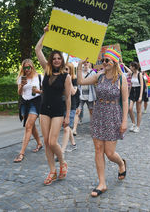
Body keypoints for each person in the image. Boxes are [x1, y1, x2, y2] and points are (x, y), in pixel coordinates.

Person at [77, 48, 128, 197]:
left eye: (107, 60)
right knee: (98, 149)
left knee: (110, 153)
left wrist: (124, 121)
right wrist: (80, 65)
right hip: (99, 113)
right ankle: (102, 183)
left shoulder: (121, 78)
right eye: (103, 60)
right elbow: (80, 81)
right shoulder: (98, 76)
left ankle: (121, 164)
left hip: (113, 114)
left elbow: (124, 100)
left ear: (114, 62)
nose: (103, 63)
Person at [35, 25, 71, 185]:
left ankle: (62, 162)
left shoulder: (66, 76)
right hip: (44, 109)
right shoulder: (46, 70)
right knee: (46, 142)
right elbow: (37, 49)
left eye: (59, 58)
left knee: (51, 141)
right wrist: (45, 34)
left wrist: (68, 115)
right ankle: (52, 171)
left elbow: (68, 98)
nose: (56, 60)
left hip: (57, 111)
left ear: (62, 61)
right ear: (51, 60)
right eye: (54, 58)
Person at [14, 59, 43, 163]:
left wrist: (38, 91)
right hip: (24, 103)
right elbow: (19, 93)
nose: (26, 69)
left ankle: (21, 153)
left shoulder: (39, 77)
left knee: (28, 126)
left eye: (28, 67)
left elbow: (45, 91)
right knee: (31, 125)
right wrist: (21, 85)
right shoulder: (21, 78)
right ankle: (39, 143)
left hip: (35, 102)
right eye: (24, 67)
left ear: (32, 66)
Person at [72, 61, 97, 136]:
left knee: (91, 111)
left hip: (90, 95)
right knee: (77, 112)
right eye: (84, 62)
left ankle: (93, 129)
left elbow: (95, 84)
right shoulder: (79, 72)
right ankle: (74, 129)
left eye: (87, 62)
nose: (86, 64)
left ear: (90, 63)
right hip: (80, 96)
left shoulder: (93, 73)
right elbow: (77, 82)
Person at [59, 63, 78, 159]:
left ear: (70, 70)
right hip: (61, 105)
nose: (64, 71)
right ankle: (73, 144)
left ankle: (62, 151)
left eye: (66, 69)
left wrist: (68, 79)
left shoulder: (74, 80)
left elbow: (73, 92)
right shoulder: (60, 78)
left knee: (66, 127)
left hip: (71, 106)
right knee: (67, 127)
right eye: (63, 69)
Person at [126, 62, 144, 133]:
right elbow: (131, 84)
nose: (130, 67)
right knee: (130, 108)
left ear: (134, 67)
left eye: (131, 66)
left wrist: (140, 96)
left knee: (138, 110)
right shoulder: (132, 74)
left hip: (138, 91)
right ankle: (133, 123)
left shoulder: (139, 74)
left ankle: (138, 126)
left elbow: (142, 85)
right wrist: (128, 93)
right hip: (132, 91)